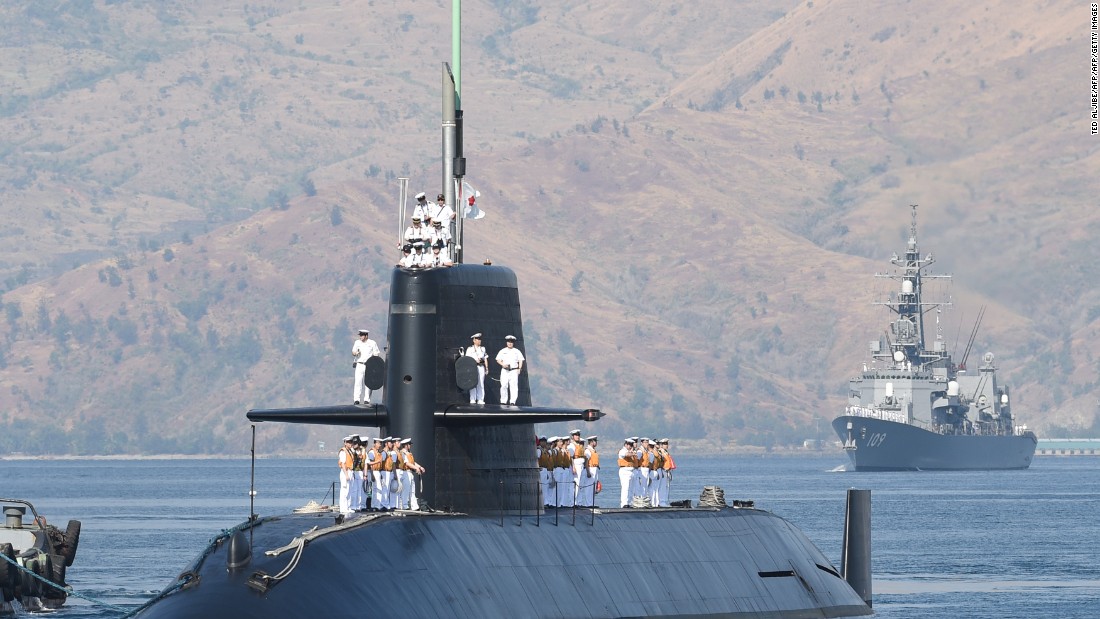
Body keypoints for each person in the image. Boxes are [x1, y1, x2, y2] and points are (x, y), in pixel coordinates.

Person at [352, 329, 380, 405]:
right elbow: (353, 352)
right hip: (360, 364)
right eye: (360, 335)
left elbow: (376, 354)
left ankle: (367, 399)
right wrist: (356, 353)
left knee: (368, 383)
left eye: (362, 335)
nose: (360, 337)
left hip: (369, 365)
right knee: (358, 382)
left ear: (366, 336)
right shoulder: (357, 342)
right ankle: (356, 399)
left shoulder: (372, 343)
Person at [495, 335, 525, 405]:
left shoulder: (517, 351)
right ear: (506, 342)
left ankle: (512, 401)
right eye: (509, 341)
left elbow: (521, 360)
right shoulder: (503, 351)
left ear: (513, 343)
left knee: (513, 386)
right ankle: (503, 401)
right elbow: (498, 359)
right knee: (504, 385)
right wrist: (503, 364)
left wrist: (519, 369)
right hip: (505, 370)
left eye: (511, 342)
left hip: (514, 370)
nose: (510, 343)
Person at [399, 438, 426, 510]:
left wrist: (420, 467)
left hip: (410, 473)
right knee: (406, 490)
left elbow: (413, 463)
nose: (410, 446)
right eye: (409, 444)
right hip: (405, 473)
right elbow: (407, 463)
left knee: (412, 491)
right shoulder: (403, 453)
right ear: (406, 445)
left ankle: (414, 506)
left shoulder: (409, 453)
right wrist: (416, 468)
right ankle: (404, 506)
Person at [465, 333, 489, 404]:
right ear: (474, 340)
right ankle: (472, 398)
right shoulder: (470, 349)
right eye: (478, 339)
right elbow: (467, 359)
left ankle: (480, 399)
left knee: (481, 383)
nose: (479, 341)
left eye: (480, 339)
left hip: (481, 367)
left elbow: (485, 359)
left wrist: (487, 368)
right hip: (473, 367)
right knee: (473, 383)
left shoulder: (483, 349)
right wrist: (475, 361)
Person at [578, 436, 599, 507]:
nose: (596, 442)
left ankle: (591, 503)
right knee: (588, 487)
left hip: (595, 468)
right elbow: (586, 462)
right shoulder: (588, 450)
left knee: (593, 488)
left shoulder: (593, 450)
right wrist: (588, 472)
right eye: (595, 441)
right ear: (591, 442)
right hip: (590, 468)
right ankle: (588, 503)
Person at [337, 436, 355, 515]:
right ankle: (343, 508)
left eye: (351, 442)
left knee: (349, 491)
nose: (350, 444)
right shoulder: (343, 452)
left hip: (350, 471)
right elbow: (343, 464)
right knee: (344, 491)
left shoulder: (350, 451)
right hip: (345, 472)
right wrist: (346, 474)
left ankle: (348, 507)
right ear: (345, 443)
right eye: (349, 442)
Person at [617, 438, 636, 508]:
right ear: (625, 444)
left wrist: (632, 452)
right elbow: (627, 455)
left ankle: (630, 502)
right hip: (624, 470)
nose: (630, 446)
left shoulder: (631, 451)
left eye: (631, 445)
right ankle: (624, 503)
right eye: (629, 445)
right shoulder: (622, 451)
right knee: (625, 488)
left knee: (631, 488)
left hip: (631, 471)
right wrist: (632, 452)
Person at [368, 437, 385, 511]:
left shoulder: (378, 453)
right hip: (373, 471)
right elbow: (370, 464)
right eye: (378, 443)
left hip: (378, 471)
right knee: (376, 489)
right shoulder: (372, 452)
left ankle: (376, 505)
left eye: (380, 443)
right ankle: (375, 505)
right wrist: (372, 474)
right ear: (374, 443)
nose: (379, 445)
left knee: (378, 489)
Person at [537, 436, 553, 508]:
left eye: (545, 441)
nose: (544, 443)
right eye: (542, 441)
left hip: (545, 469)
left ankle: (545, 502)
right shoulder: (539, 450)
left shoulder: (545, 451)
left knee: (545, 487)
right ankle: (542, 503)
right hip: (541, 469)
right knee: (542, 487)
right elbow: (536, 460)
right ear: (540, 442)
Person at [657, 438, 674, 507]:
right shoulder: (660, 452)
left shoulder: (666, 452)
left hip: (667, 471)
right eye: (664, 444)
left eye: (666, 444)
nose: (666, 445)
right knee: (662, 487)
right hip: (663, 470)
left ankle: (665, 500)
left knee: (666, 487)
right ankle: (661, 501)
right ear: (661, 445)